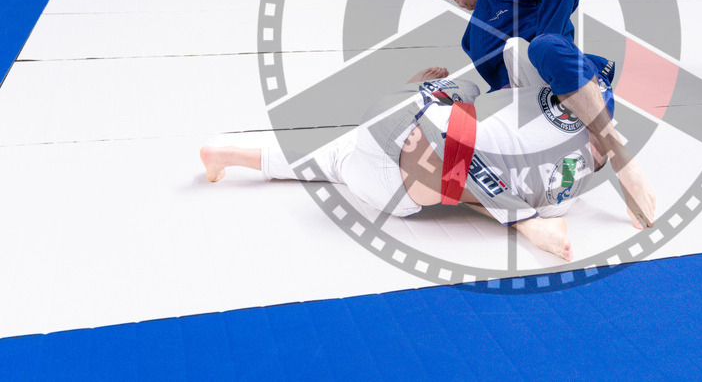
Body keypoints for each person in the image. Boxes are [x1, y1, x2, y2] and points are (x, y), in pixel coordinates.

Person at [201, 55, 656, 262]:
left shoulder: (561, 187)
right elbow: (541, 50)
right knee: (340, 160)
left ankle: (229, 152)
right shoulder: (563, 188)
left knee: (337, 158)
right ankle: (230, 153)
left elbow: (546, 54)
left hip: (402, 144)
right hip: (407, 170)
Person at [431, 0, 654, 230]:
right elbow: (504, 92)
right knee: (452, 126)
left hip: (573, 86)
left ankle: (619, 155)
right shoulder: (472, 38)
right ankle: (528, 217)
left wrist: (550, 38)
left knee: (540, 48)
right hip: (539, 117)